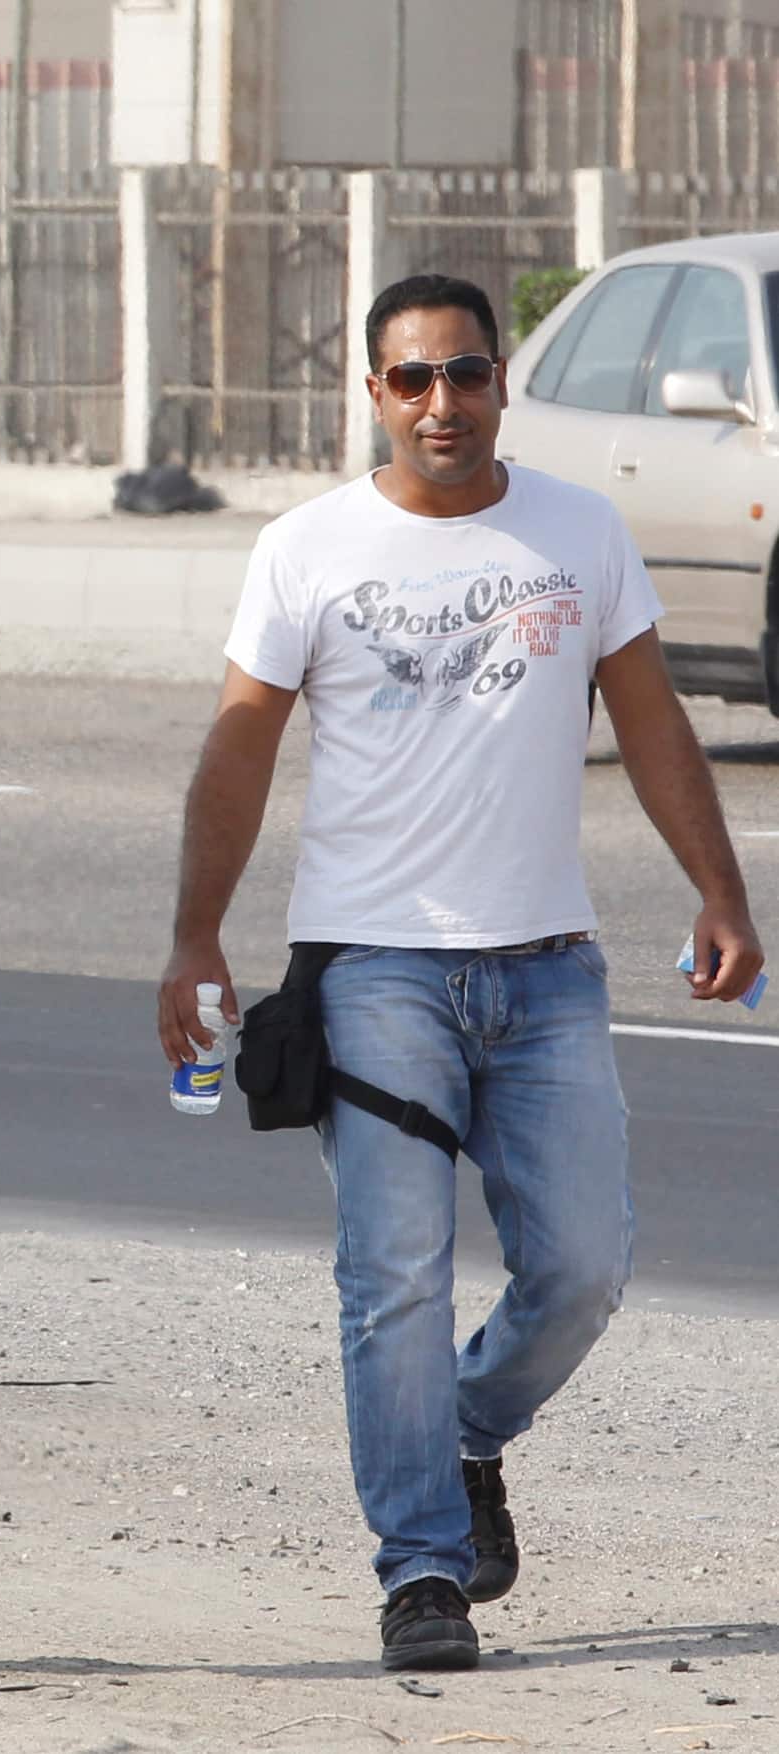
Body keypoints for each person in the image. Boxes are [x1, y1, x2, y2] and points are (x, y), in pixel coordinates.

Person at [157, 273, 764, 1673]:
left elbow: (653, 717)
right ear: (371, 393)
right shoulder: (307, 549)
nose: (442, 403)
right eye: (411, 379)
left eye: (467, 374)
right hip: (370, 970)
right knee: (394, 1278)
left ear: (500, 384)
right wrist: (197, 931)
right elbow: (240, 745)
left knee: (580, 1265)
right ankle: (420, 1569)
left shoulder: (578, 529)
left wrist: (717, 887)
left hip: (545, 968)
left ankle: (467, 1431)